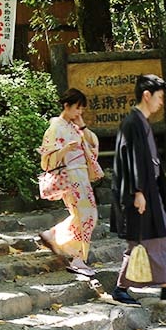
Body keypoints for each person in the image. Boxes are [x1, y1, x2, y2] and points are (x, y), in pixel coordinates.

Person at [109, 74, 166, 306]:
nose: (161, 102)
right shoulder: (132, 123)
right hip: (139, 194)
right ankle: (120, 289)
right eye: (159, 97)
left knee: (163, 237)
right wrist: (138, 192)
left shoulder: (140, 122)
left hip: (149, 193)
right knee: (141, 241)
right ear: (146, 95)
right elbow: (133, 161)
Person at [38, 89, 104, 276]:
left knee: (86, 214)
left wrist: (82, 125)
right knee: (86, 215)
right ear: (66, 106)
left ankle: (55, 236)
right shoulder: (56, 127)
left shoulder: (74, 127)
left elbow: (92, 143)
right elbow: (46, 160)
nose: (79, 113)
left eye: (81, 110)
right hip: (70, 176)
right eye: (77, 108)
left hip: (81, 176)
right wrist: (65, 149)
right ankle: (77, 258)